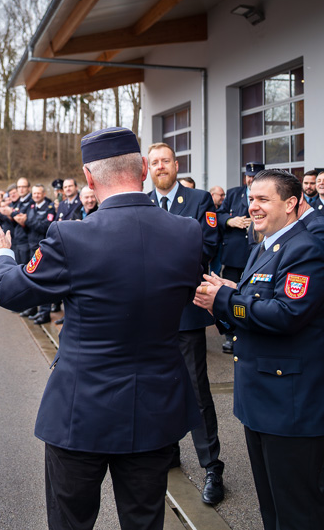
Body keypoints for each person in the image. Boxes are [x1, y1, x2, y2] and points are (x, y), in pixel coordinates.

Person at [0, 127, 202, 530]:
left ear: (89, 176)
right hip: (155, 409)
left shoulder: (71, 236)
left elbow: (11, 292)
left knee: (71, 521)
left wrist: (3, 254)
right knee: (145, 520)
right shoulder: (186, 233)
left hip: (82, 413)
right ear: (142, 172)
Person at [194, 169, 324, 530]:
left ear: (292, 203)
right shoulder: (264, 245)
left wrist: (226, 300)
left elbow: (287, 314)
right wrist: (230, 292)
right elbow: (258, 302)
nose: (253, 206)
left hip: (290, 406)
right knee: (272, 507)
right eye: (251, 199)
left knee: (297, 511)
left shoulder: (306, 248)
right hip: (262, 401)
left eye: (263, 199)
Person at [147, 142, 225, 505]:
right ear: (148, 168)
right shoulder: (142, 203)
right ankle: (170, 454)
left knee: (196, 391)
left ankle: (212, 466)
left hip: (187, 312)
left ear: (177, 166)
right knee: (159, 388)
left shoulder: (198, 202)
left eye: (166, 161)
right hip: (151, 316)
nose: (160, 167)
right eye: (154, 162)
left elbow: (206, 247)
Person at [216, 161, 264, 353]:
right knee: (228, 295)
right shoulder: (234, 193)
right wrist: (230, 220)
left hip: (256, 255)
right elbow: (217, 216)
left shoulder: (266, 195)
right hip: (234, 256)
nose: (250, 179)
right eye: (248, 176)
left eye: (255, 176)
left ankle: (250, 333)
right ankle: (230, 336)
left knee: (252, 295)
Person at [24, 184, 56, 325]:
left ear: (44, 194)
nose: (36, 196)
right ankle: (35, 309)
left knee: (43, 282)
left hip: (42, 249)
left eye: (38, 193)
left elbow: (44, 227)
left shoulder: (48, 208)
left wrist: (27, 221)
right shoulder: (32, 207)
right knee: (32, 280)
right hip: (31, 246)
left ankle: (45, 313)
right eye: (34, 193)